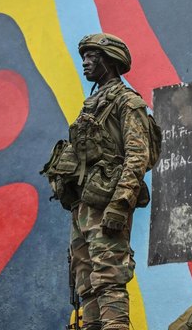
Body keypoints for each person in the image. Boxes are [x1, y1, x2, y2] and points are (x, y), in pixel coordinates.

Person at [62, 33, 153, 330]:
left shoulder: (127, 102)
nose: (85, 63)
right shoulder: (92, 104)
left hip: (107, 202)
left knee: (109, 277)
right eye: (84, 58)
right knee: (86, 282)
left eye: (92, 57)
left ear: (110, 61)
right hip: (84, 205)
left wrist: (120, 203)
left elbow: (137, 156)